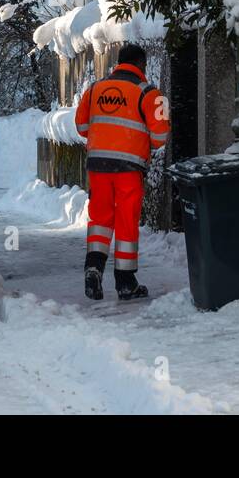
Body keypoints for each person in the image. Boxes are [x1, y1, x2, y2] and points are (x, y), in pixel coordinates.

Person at [73, 43, 170, 301]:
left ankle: (93, 268)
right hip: (129, 167)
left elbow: (81, 126)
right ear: (141, 64)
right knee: (126, 220)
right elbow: (161, 136)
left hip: (98, 165)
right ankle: (125, 282)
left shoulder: (94, 89)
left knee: (100, 219)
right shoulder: (150, 94)